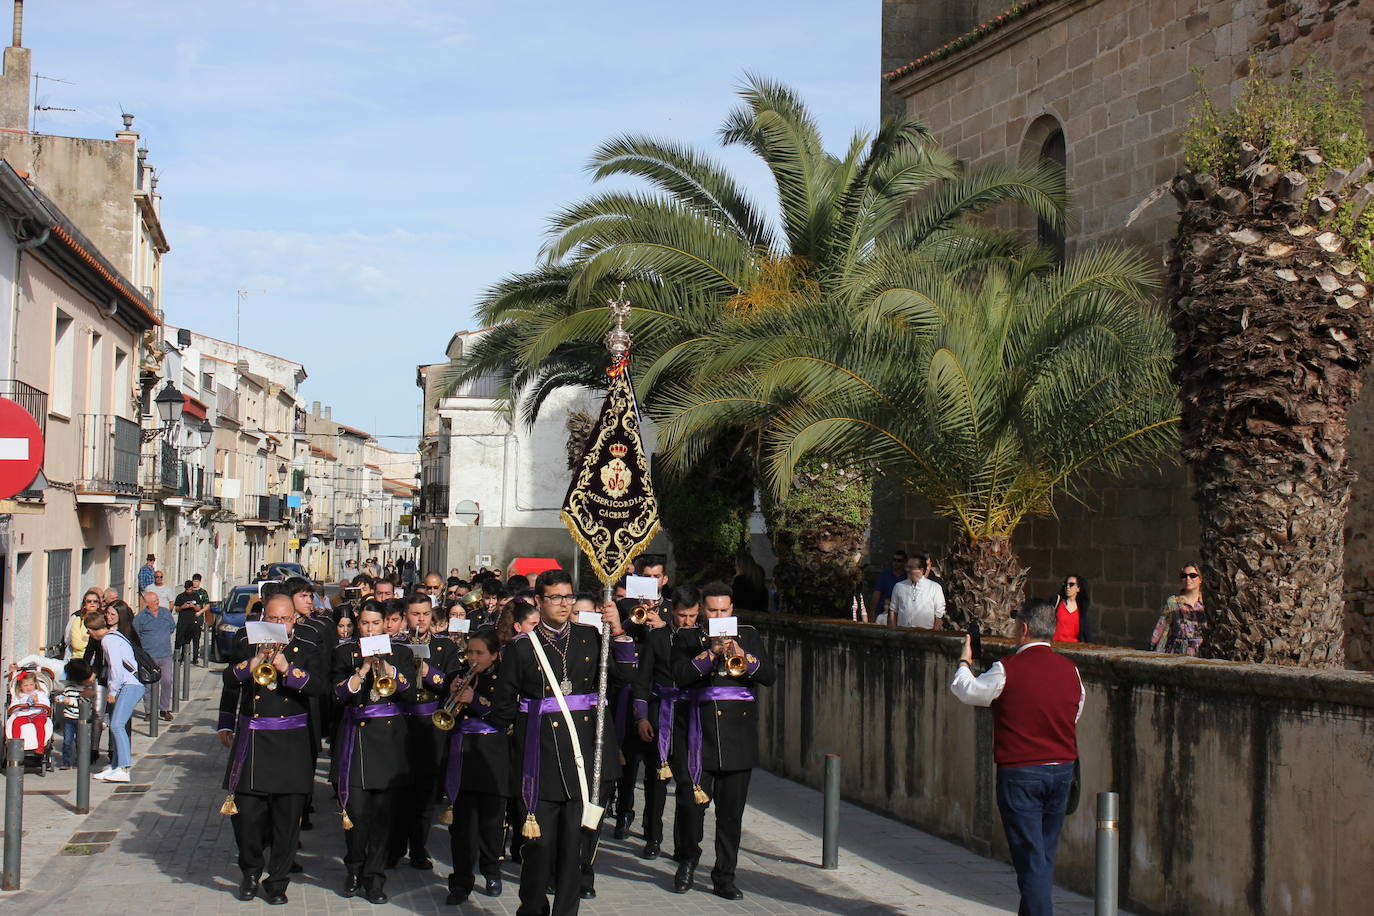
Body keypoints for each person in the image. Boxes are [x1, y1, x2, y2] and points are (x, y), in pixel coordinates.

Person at [489, 569, 636, 916]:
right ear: (538, 602)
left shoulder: (590, 636)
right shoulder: (521, 647)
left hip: (584, 760)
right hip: (540, 760)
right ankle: (533, 907)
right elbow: (502, 710)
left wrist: (616, 628)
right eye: (555, 598)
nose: (563, 604)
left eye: (568, 597)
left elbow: (627, 675)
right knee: (539, 849)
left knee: (575, 852)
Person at [950, 597, 1084, 916]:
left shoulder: (1006, 669)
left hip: (1021, 772)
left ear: (1023, 628)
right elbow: (1075, 711)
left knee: (1030, 859)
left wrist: (965, 661)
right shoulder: (1072, 671)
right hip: (1062, 770)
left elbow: (966, 690)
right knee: (1042, 857)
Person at [669, 581, 775, 900]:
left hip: (737, 738)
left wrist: (746, 658)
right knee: (691, 807)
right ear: (703, 610)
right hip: (700, 737)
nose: (718, 615)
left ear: (732, 609)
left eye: (724, 610)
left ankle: (725, 875)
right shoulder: (688, 637)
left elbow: (769, 676)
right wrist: (709, 652)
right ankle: (687, 860)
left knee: (731, 815)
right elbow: (680, 676)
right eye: (712, 610)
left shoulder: (750, 635)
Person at [221, 593, 326, 905]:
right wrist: (225, 721)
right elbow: (228, 681)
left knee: (287, 818)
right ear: (263, 618)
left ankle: (278, 881)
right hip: (253, 739)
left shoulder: (307, 646)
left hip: (291, 741)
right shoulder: (246, 643)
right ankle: (251, 869)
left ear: (294, 620)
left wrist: (287, 669)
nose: (279, 624)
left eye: (285, 619)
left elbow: (320, 687)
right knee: (246, 814)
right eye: (273, 618)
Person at [331, 604, 416, 904]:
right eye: (365, 623)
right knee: (356, 813)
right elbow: (338, 695)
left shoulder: (401, 652)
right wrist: (364, 668)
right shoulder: (344, 654)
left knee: (383, 818)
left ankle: (375, 878)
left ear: (385, 625)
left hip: (389, 742)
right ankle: (354, 866)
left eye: (376, 623)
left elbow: (410, 693)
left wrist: (387, 668)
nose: (370, 629)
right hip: (356, 740)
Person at [388, 592, 462, 870]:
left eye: (425, 614)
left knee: (425, 791)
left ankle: (419, 847)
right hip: (400, 724)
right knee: (398, 790)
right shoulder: (396, 645)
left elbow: (453, 683)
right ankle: (394, 846)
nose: (420, 619)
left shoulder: (445, 646)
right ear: (406, 615)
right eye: (415, 614)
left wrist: (428, 670)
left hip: (431, 725)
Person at [443, 630, 509, 904]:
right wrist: (450, 695)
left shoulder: (504, 679)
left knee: (492, 822)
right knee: (462, 825)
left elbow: (505, 716)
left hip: (492, 755)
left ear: (494, 655)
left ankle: (492, 870)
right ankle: (460, 881)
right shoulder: (457, 676)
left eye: (479, 653)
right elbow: (444, 713)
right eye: (470, 652)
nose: (472, 658)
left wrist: (476, 702)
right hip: (462, 754)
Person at [633, 585, 699, 860]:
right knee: (655, 779)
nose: (687, 621)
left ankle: (682, 844)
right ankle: (652, 834)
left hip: (688, 715)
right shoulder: (658, 636)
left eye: (692, 616)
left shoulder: (701, 639)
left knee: (686, 779)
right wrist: (642, 716)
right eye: (683, 615)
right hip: (660, 709)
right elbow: (643, 678)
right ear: (673, 612)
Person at [86, 610, 144, 783]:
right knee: (116, 724)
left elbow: (116, 668)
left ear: (92, 629)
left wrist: (112, 691)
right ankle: (116, 765)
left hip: (130, 685)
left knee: (117, 725)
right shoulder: (114, 636)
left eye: (88, 631)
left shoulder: (108, 640)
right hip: (129, 684)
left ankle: (124, 768)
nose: (89, 634)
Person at [133, 589, 176, 722]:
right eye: (154, 601)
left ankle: (164, 709)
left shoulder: (165, 613)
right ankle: (149, 711)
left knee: (167, 681)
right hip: (149, 657)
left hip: (165, 654)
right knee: (149, 684)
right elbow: (136, 634)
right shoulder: (141, 617)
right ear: (147, 603)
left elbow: (171, 628)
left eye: (157, 600)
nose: (157, 602)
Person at [1151, 564, 1207, 656]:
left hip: (1203, 655)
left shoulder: (1207, 603)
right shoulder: (1173, 602)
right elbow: (1161, 630)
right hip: (1177, 655)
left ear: (1200, 579)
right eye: (1184, 576)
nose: (1188, 578)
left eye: (1192, 575)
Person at [880, 554, 946, 629]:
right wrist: (894, 632)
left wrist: (933, 635)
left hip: (926, 635)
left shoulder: (935, 588)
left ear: (921, 570)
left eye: (911, 568)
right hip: (902, 634)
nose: (907, 570)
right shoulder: (899, 586)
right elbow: (893, 611)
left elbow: (939, 615)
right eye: (907, 567)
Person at [57, 658, 95, 768]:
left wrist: (71, 702)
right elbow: (64, 696)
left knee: (81, 741)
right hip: (69, 718)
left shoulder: (86, 691)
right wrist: (61, 699)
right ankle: (66, 761)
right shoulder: (68, 688)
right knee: (67, 741)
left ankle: (81, 759)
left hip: (81, 719)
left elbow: (85, 705)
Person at [870, 549, 908, 621]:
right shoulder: (885, 575)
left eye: (899, 561)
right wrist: (872, 613)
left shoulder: (907, 576)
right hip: (883, 612)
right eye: (894, 560)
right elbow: (877, 593)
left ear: (904, 562)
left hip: (900, 614)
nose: (896, 563)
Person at [1054, 575, 1093, 644]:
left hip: (1072, 648)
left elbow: (1087, 633)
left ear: (1078, 589)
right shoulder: (1057, 601)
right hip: (1055, 646)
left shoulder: (1081, 609)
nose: (1068, 587)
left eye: (1071, 584)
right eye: (1066, 584)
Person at [65, 591, 102, 660]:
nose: (92, 603)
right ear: (84, 604)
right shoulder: (78, 620)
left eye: (95, 601)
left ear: (98, 604)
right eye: (89, 601)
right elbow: (76, 644)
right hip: (79, 659)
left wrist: (85, 639)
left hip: (97, 659)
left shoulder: (103, 619)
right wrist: (94, 641)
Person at [174, 579, 203, 661]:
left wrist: (192, 606)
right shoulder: (180, 596)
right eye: (187, 589)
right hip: (182, 621)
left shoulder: (195, 596)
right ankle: (178, 656)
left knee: (191, 640)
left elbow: (198, 608)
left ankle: (193, 657)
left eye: (190, 589)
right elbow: (176, 609)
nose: (189, 591)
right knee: (179, 639)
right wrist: (183, 607)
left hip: (192, 621)